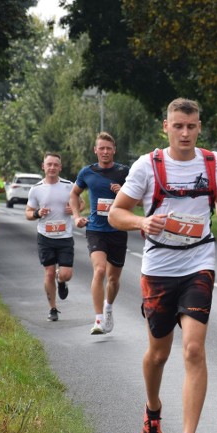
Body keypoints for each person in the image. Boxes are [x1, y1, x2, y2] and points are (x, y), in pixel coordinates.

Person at [109, 97, 217, 433]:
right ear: (165, 127)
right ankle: (153, 408)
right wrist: (141, 223)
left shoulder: (214, 163)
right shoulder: (147, 166)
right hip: (158, 269)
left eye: (192, 126)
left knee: (194, 349)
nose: (185, 133)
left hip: (198, 263)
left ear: (200, 127)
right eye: (178, 126)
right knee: (158, 354)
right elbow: (117, 213)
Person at [71, 132, 130, 335]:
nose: (105, 152)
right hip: (96, 229)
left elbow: (138, 199)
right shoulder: (87, 172)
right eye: (101, 148)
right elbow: (74, 194)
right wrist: (76, 216)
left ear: (114, 150)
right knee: (99, 270)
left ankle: (108, 308)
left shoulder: (124, 171)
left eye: (108, 148)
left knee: (113, 280)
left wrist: (122, 192)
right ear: (95, 150)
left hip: (118, 229)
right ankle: (98, 319)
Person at [26, 153, 82, 322]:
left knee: (66, 274)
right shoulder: (35, 189)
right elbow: (28, 213)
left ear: (60, 167)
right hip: (45, 236)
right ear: (43, 167)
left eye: (55, 165)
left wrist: (74, 210)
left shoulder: (69, 186)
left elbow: (81, 204)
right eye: (48, 164)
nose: (52, 167)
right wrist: (37, 213)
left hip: (64, 236)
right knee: (48, 273)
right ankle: (53, 308)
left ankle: (62, 280)